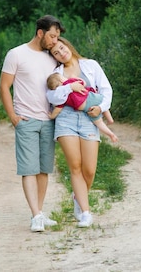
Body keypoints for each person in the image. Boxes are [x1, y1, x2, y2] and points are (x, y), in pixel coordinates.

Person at [0, 15, 66, 232]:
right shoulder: (16, 54)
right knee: (29, 169)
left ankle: (39, 212)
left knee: (43, 170)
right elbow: (4, 87)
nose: (55, 41)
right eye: (52, 36)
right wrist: (13, 117)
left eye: (57, 37)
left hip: (48, 121)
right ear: (40, 33)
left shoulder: (52, 58)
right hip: (26, 121)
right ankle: (36, 215)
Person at [46, 37, 115, 228]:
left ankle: (78, 196)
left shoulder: (90, 65)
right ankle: (86, 213)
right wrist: (69, 87)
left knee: (89, 170)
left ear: (68, 44)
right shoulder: (56, 73)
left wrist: (100, 108)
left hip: (88, 118)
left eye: (62, 48)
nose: (61, 53)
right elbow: (52, 96)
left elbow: (106, 90)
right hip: (66, 119)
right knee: (75, 166)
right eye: (56, 53)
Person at [46, 72, 118, 143]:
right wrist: (75, 77)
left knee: (99, 123)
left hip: (86, 106)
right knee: (101, 102)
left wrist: (52, 116)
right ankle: (109, 119)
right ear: (61, 80)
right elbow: (83, 83)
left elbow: (58, 109)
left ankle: (111, 134)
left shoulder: (62, 97)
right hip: (91, 97)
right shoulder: (70, 82)